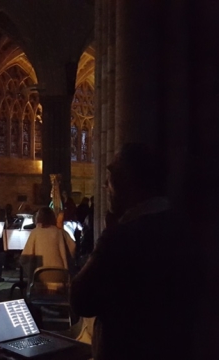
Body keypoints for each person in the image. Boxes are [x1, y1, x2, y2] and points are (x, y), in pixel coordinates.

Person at [70, 143, 195, 360]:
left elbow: (81, 299)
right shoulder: (185, 227)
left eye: (111, 178)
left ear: (127, 181)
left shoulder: (122, 237)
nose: (106, 186)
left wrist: (107, 239)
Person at [19, 207, 75, 282]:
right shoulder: (60, 232)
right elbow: (73, 246)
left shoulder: (35, 232)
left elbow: (24, 258)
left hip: (39, 275)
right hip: (60, 274)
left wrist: (30, 270)